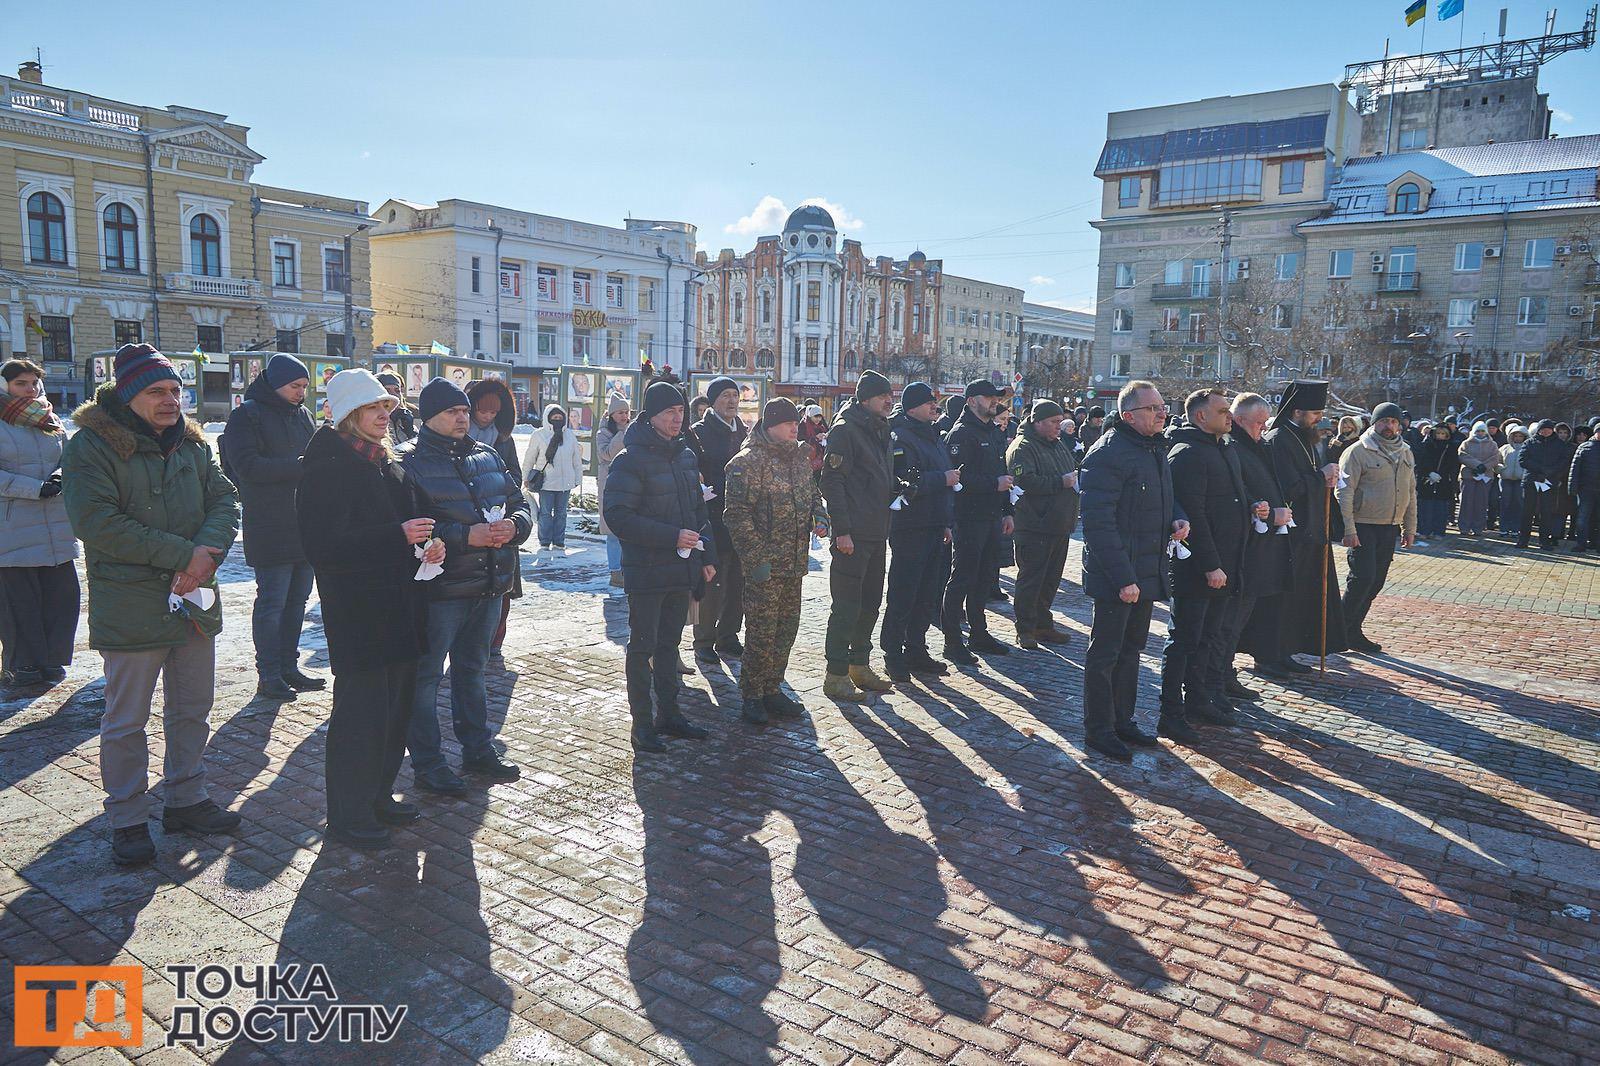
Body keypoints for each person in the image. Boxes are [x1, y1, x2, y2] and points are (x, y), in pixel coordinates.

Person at [61, 343, 242, 865]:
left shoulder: (191, 441)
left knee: (192, 709)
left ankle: (186, 798)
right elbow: (96, 524)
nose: (170, 400)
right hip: (132, 601)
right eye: (156, 391)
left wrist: (205, 555)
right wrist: (187, 555)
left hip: (193, 598)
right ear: (127, 394)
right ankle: (127, 818)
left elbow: (226, 498)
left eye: (174, 390)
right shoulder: (91, 445)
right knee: (127, 720)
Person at [297, 370, 439, 849]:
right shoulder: (327, 467)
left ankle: (379, 795)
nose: (385, 415)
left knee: (396, 709)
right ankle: (349, 812)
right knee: (361, 715)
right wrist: (397, 537)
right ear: (349, 415)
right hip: (359, 612)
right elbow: (325, 546)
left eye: (386, 407)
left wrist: (431, 547)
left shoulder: (387, 463)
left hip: (400, 606)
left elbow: (419, 520)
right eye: (372, 408)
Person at [400, 378, 531, 794]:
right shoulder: (408, 463)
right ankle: (429, 762)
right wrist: (462, 536)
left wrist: (515, 527)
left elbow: (520, 502)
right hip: (440, 592)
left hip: (488, 584)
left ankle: (477, 748)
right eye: (452, 412)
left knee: (473, 670)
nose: (462, 417)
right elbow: (408, 526)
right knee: (426, 677)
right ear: (429, 417)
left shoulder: (487, 455)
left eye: (463, 411)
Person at [603, 380, 718, 752]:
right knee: (642, 646)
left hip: (681, 569)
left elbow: (699, 511)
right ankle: (642, 725)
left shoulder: (685, 456)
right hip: (647, 569)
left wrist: (707, 555)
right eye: (669, 412)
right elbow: (618, 516)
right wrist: (671, 537)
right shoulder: (630, 459)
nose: (676, 419)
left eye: (681, 412)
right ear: (650, 417)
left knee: (670, 644)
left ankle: (670, 714)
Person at [1078, 380, 1189, 761]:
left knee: (1132, 651)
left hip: (1147, 567)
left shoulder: (1154, 447)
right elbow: (1098, 524)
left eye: (1162, 406)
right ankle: (1099, 729)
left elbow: (1167, 499)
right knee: (1106, 654)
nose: (1163, 413)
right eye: (1153, 408)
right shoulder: (1107, 454)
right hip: (1118, 575)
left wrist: (1178, 519)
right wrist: (1123, 578)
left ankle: (1123, 719)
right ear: (1129, 415)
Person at [222, 354, 319, 702]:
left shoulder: (304, 415)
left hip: (304, 524)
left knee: (297, 601)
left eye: (305, 387)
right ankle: (269, 674)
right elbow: (246, 466)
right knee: (273, 601)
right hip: (269, 525)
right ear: (276, 384)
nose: (301, 393)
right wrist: (301, 467)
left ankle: (289, 666)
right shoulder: (246, 415)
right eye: (295, 386)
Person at [722, 398, 819, 723]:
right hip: (764, 567)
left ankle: (772, 689)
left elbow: (813, 495)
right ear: (770, 425)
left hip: (794, 564)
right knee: (761, 633)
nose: (795, 427)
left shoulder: (799, 458)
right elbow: (736, 515)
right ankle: (752, 695)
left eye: (796, 422)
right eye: (788, 422)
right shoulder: (747, 462)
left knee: (785, 630)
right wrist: (755, 558)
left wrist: (820, 518)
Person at [1161, 389, 1251, 740]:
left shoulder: (1223, 448)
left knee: (1208, 637)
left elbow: (1230, 498)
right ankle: (1171, 712)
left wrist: (1254, 505)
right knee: (1184, 639)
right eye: (1222, 411)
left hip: (1226, 563)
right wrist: (1210, 564)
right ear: (1201, 417)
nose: (1229, 417)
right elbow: (1193, 515)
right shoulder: (1187, 454)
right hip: (1198, 568)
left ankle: (1198, 698)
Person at [1246, 380, 1346, 676]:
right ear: (1298, 410)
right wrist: (1320, 476)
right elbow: (1287, 488)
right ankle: (1266, 655)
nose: (1319, 418)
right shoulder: (1279, 438)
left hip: (1308, 530)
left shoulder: (1305, 438)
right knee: (1279, 598)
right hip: (1286, 533)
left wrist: (1326, 477)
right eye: (1315, 412)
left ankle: (1284, 650)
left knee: (1297, 596)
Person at [0, 358, 79, 688]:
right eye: (21, 383)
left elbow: (68, 458)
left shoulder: (51, 420)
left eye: (33, 383)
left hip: (56, 527)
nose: (29, 389)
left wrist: (61, 476)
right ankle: (21, 664)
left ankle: (51, 660)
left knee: (62, 599)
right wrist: (34, 489)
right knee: (21, 604)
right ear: (4, 386)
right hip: (12, 528)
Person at [819, 371, 898, 699]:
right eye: (883, 396)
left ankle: (859, 664)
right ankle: (836, 673)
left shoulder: (880, 429)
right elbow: (831, 481)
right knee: (847, 605)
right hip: (853, 535)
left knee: (870, 602)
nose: (889, 401)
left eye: (890, 396)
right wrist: (843, 531)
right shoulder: (845, 430)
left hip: (877, 532)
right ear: (865, 399)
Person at [880, 382, 958, 681]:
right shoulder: (901, 436)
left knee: (926, 594)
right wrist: (943, 479)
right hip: (910, 525)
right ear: (913, 406)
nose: (935, 408)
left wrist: (946, 523)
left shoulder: (932, 435)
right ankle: (893, 652)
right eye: (929, 404)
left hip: (934, 524)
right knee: (904, 592)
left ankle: (916, 648)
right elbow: (902, 482)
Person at [1220, 393, 1292, 703]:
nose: (1263, 429)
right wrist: (1268, 512)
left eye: (1265, 423)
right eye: (1258, 423)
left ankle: (1224, 674)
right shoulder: (1233, 448)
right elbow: (1236, 495)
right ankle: (1220, 676)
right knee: (1228, 622)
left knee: (1238, 618)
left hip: (1259, 547)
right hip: (1242, 551)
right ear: (1238, 421)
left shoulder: (1255, 446)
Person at [941, 379, 1015, 663]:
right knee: (962, 578)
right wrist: (992, 485)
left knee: (984, 578)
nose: (994, 402)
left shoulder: (991, 431)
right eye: (988, 398)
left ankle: (979, 633)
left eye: (995, 398)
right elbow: (958, 479)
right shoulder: (961, 433)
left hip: (992, 515)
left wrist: (1007, 510)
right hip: (969, 516)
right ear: (972, 400)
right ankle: (952, 640)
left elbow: (1002, 471)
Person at [1336, 403, 1417, 655]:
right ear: (1373, 423)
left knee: (1376, 582)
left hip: (1389, 527)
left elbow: (1410, 492)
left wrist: (1409, 527)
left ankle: (1353, 631)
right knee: (1362, 579)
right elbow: (1344, 492)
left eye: (1394, 422)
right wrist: (1348, 529)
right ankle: (1337, 631)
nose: (1390, 426)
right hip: (1363, 525)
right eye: (1384, 421)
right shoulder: (1358, 451)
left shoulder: (1405, 451)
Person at [1005, 399, 1079, 649]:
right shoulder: (1022, 447)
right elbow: (1023, 481)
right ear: (1038, 422)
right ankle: (1025, 628)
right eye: (1053, 422)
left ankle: (1042, 625)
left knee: (1050, 580)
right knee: (1031, 580)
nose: (1059, 426)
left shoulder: (1056, 444)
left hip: (1058, 524)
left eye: (1060, 421)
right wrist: (1060, 482)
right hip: (1034, 525)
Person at [690, 377, 749, 663]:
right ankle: (703, 640)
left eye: (735, 395)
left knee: (737, 582)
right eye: (725, 395)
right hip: (712, 518)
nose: (732, 401)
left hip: (742, 520)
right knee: (711, 580)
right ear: (713, 401)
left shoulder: (746, 432)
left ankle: (728, 636)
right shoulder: (699, 432)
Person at [464, 378, 524, 652]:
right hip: (467, 523)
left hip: (499, 520)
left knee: (503, 587)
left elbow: (515, 473)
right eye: (482, 412)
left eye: (493, 413)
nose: (487, 417)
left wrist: (501, 495)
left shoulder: (503, 438)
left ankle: (494, 641)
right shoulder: (459, 436)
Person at [522, 403, 584, 552]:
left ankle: (559, 541)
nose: (557, 419)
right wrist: (525, 476)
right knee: (545, 513)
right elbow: (530, 457)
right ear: (548, 418)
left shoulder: (569, 435)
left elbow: (576, 459)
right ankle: (544, 541)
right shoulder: (539, 435)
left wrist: (578, 478)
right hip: (546, 482)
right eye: (554, 417)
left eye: (560, 417)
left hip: (565, 482)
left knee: (561, 514)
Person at [596, 393, 631, 586]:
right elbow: (608, 453)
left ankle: (626, 568)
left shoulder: (631, 429)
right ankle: (615, 572)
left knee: (627, 529)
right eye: (619, 412)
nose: (624, 416)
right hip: (609, 484)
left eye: (626, 412)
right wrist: (623, 433)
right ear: (611, 414)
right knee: (612, 532)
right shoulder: (604, 433)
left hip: (628, 483)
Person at [1518, 420, 1566, 549]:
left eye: (1548, 429)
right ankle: (1523, 540)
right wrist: (1539, 469)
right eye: (1543, 429)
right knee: (1527, 512)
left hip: (1549, 481)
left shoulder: (1560, 444)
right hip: (1531, 480)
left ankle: (1544, 541)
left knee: (1546, 512)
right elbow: (1522, 460)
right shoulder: (1529, 442)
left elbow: (1564, 462)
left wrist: (1548, 472)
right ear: (1538, 430)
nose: (1545, 431)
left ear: (1552, 430)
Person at [1415, 423, 1460, 539]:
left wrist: (1443, 475)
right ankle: (1423, 530)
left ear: (1447, 435)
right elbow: (1421, 462)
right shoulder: (1426, 445)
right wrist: (1428, 473)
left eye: (1443, 434)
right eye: (1438, 433)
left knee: (1440, 508)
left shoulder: (1451, 447)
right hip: (1427, 480)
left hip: (1443, 481)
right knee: (1425, 506)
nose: (1440, 436)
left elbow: (1453, 464)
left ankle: (1438, 531)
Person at [1455, 421, 1501, 536]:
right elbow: (1462, 455)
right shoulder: (1466, 443)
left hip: (1485, 476)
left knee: (1481, 502)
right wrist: (1476, 465)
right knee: (1466, 501)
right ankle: (1464, 527)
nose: (1480, 433)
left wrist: (1484, 467)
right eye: (1478, 431)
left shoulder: (1492, 444)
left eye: (1482, 431)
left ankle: (1478, 527)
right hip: (1468, 475)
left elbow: (1496, 458)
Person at [1498, 423, 1528, 538]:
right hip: (1506, 479)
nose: (1518, 438)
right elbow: (1498, 460)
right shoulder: (1505, 448)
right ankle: (1503, 528)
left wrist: (1526, 473)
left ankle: (1515, 528)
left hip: (1520, 480)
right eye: (1516, 436)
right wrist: (1500, 468)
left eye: (1521, 436)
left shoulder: (1527, 448)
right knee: (1505, 503)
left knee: (1518, 504)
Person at [1574, 424, 1600, 553]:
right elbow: (1574, 470)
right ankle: (1581, 544)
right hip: (1586, 489)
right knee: (1582, 518)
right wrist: (1572, 488)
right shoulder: (1584, 447)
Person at [376, 371, 418, 446]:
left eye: (397, 390)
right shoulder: (373, 424)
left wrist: (410, 432)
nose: (394, 395)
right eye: (387, 390)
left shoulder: (403, 419)